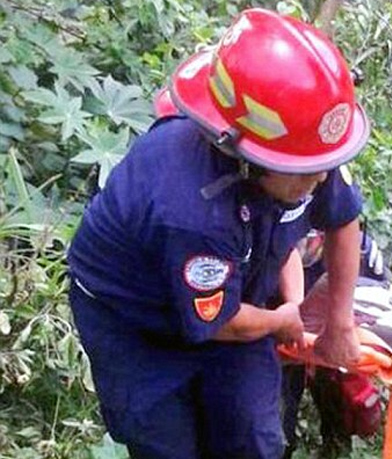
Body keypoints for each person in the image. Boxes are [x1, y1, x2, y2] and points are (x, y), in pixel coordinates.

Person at [66, 9, 370, 459]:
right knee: (166, 445)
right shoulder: (190, 207)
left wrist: (338, 320)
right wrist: (282, 319)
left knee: (252, 438)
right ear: (245, 156)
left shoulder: (304, 152)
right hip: (137, 320)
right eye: (305, 172)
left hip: (236, 297)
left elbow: (342, 217)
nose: (320, 180)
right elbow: (220, 320)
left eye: (322, 167)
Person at [282, 229, 387, 458]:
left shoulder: (361, 251)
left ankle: (335, 445)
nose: (305, 252)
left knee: (342, 409)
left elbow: (374, 301)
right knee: (281, 414)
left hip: (334, 346)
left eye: (310, 245)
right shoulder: (274, 241)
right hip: (284, 340)